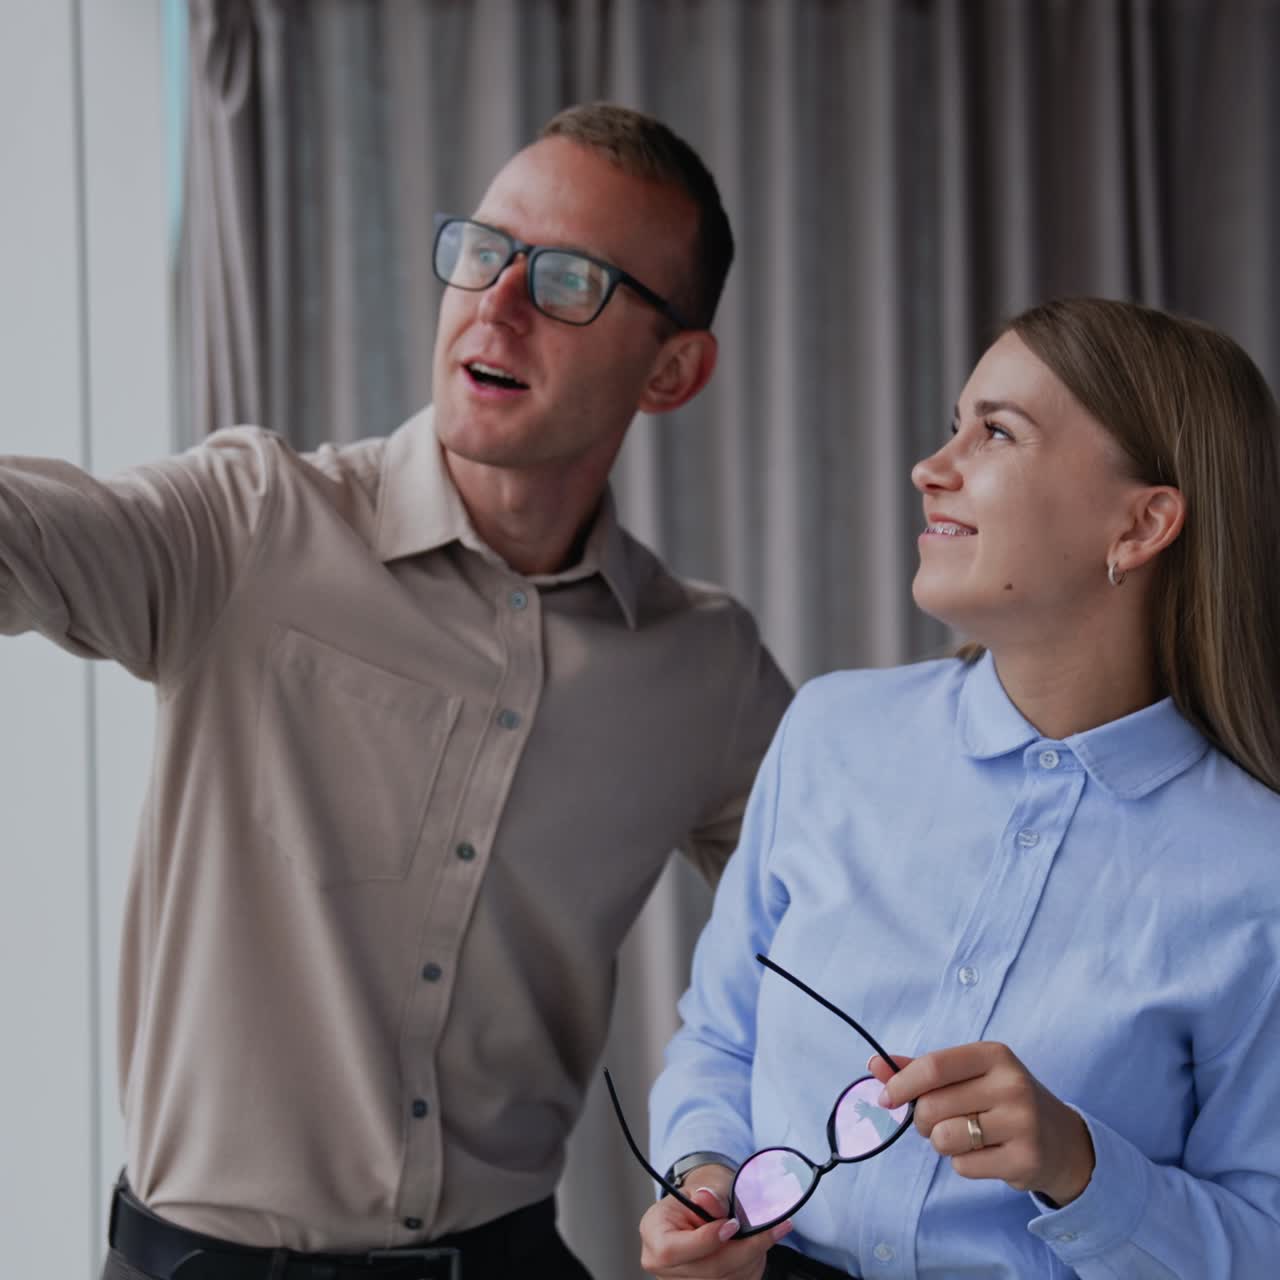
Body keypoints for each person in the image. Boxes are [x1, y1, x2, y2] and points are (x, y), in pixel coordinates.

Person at [0, 102, 792, 1280]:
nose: (495, 304)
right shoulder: (250, 522)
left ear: (671, 368)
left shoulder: (703, 665)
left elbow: (841, 946)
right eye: (483, 250)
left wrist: (733, 1169)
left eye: (567, 279)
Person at [636, 297, 1280, 1279]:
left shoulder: (1256, 867)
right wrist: (704, 1179)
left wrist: (1078, 1164)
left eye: (997, 432)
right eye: (953, 424)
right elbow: (722, 1038)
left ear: (1142, 522)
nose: (929, 467)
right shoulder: (828, 733)